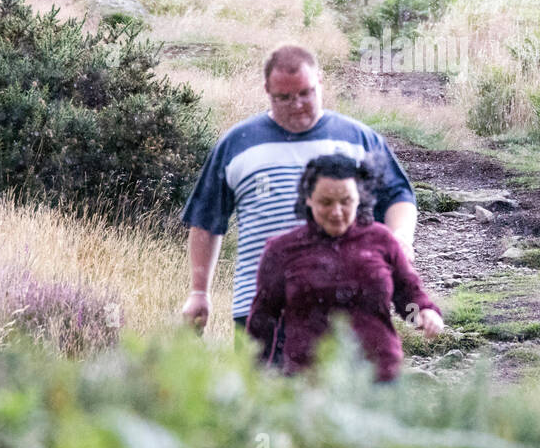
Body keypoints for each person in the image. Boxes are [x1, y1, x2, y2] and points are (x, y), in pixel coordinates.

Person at [179, 45, 419, 333]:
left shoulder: (357, 139)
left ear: (320, 80)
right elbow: (206, 220)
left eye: (306, 93)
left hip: (349, 306)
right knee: (264, 380)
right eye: (284, 97)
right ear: (266, 89)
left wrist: (401, 238)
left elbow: (398, 195)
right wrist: (199, 292)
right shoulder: (237, 143)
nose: (297, 105)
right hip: (261, 311)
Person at [246, 154, 443, 382]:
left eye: (346, 201)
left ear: (359, 197)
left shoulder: (381, 239)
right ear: (308, 199)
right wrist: (257, 378)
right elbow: (263, 320)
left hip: (379, 379)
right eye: (326, 202)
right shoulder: (281, 250)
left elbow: (405, 295)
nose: (337, 212)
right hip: (309, 384)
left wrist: (422, 313)